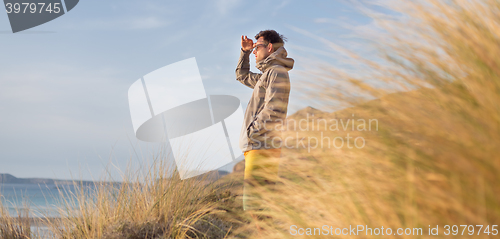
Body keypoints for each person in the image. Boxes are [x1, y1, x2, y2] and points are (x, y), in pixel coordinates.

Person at [236, 30, 294, 211]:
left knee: (255, 208)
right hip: (259, 146)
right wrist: (244, 52)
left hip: (262, 146)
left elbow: (274, 110)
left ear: (269, 48)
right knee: (259, 207)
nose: (254, 51)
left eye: (257, 47)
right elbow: (242, 75)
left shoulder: (276, 72)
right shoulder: (266, 75)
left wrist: (252, 132)